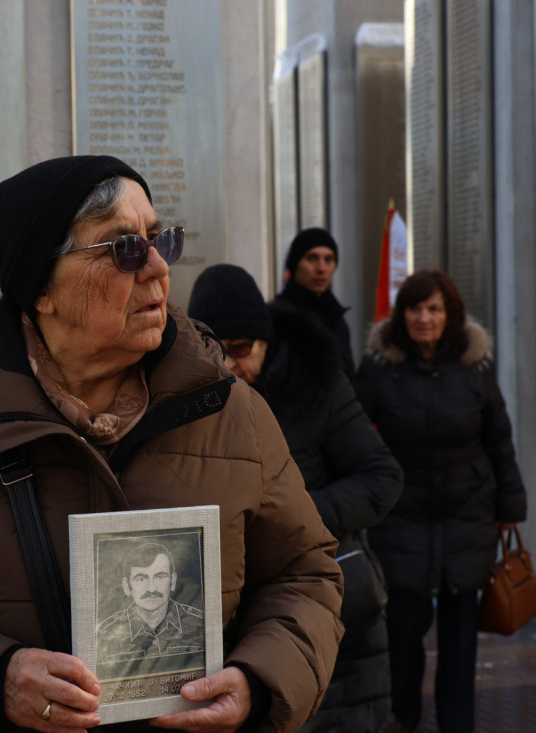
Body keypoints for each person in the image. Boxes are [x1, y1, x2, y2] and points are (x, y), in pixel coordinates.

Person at [0, 155, 344, 733]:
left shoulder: (231, 413)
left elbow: (306, 575)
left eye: (159, 238)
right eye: (124, 249)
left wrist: (258, 682)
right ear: (42, 288)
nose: (160, 268)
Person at [188, 264, 403, 733]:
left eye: (241, 350)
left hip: (336, 620)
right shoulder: (195, 403)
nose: (229, 367)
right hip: (248, 638)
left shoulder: (319, 385)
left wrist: (293, 521)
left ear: (266, 340)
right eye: (214, 351)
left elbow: (382, 477)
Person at [353, 270, 527, 733]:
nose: (424, 318)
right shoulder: (379, 366)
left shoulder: (475, 367)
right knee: (403, 626)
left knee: (459, 634)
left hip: (466, 513)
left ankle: (457, 723)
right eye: (415, 308)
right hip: (400, 514)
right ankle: (404, 712)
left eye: (434, 309)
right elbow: (350, 433)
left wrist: (510, 507)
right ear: (402, 314)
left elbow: (499, 438)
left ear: (450, 316)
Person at [96, 542, 204, 665]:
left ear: (173, 581)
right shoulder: (105, 635)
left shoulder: (200, 625)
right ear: (126, 586)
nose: (151, 589)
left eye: (160, 577)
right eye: (141, 579)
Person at [275, 228, 354, 380]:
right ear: (295, 263)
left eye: (328, 259)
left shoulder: (337, 319)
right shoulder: (279, 319)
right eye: (312, 258)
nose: (321, 269)